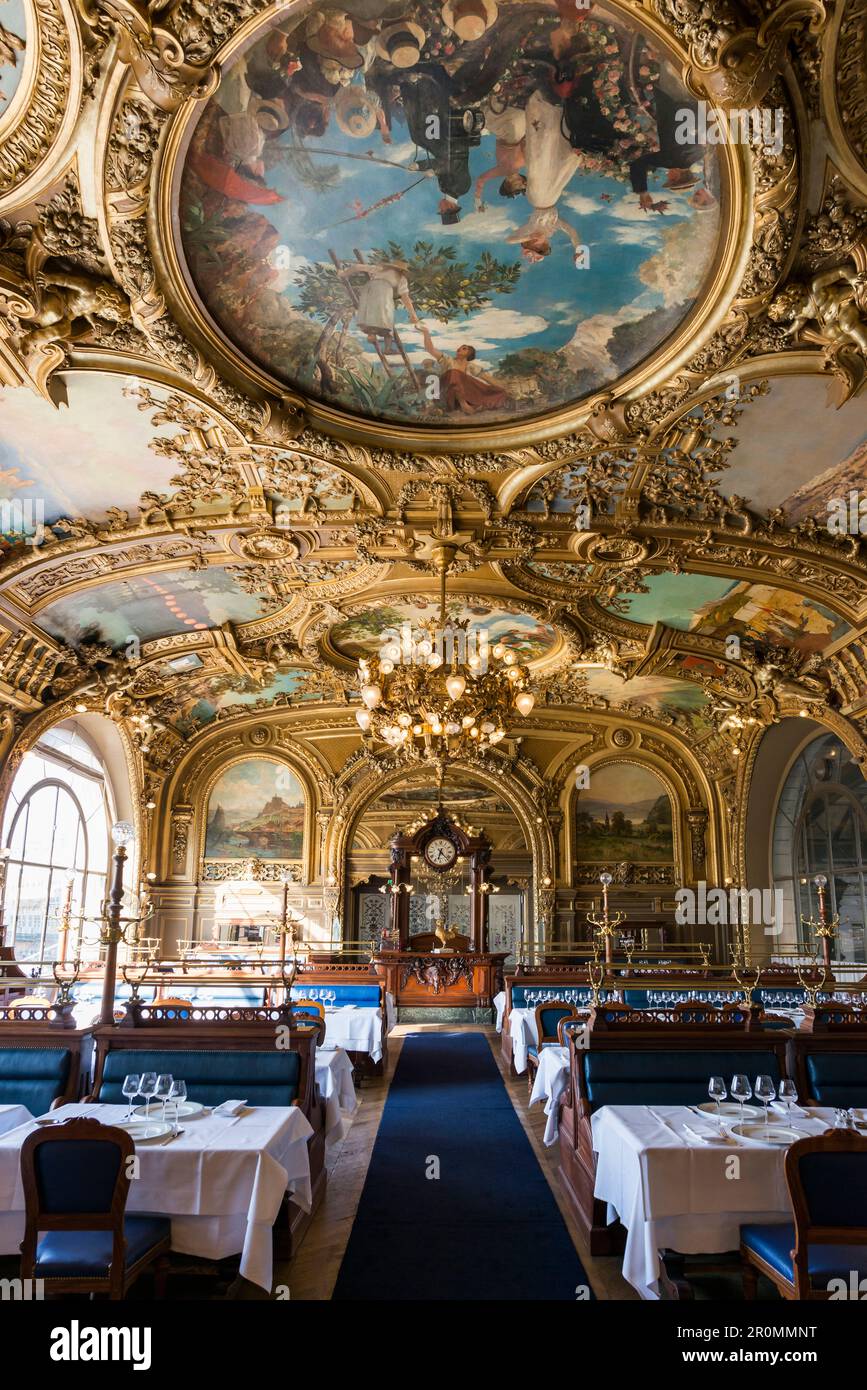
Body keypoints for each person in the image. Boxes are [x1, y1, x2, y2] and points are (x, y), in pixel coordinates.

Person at [416, 323, 512, 415]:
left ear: (469, 354)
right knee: (454, 373)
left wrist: (505, 389)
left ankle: (474, 406)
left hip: (465, 397)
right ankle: (464, 405)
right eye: (460, 347)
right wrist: (426, 333)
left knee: (498, 392)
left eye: (464, 348)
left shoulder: (471, 366)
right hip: (447, 395)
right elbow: (430, 349)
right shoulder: (448, 360)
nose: (459, 348)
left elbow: (488, 379)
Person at [339, 259, 418, 350]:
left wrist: (343, 274)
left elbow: (357, 267)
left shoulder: (380, 269)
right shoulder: (401, 279)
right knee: (387, 317)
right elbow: (405, 298)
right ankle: (387, 348)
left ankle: (371, 334)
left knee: (370, 312)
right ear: (402, 270)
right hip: (384, 291)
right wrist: (413, 314)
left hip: (369, 289)